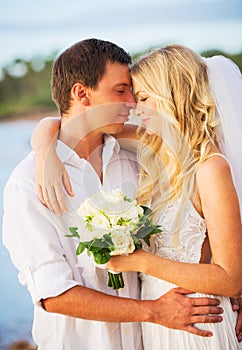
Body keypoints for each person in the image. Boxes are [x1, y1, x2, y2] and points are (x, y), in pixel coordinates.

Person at [2, 39, 223, 350]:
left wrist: (230, 292)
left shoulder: (139, 157)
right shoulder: (27, 185)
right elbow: (53, 294)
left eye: (133, 91)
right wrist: (155, 311)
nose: (132, 102)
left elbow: (212, 211)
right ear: (81, 93)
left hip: (153, 342)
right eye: (121, 91)